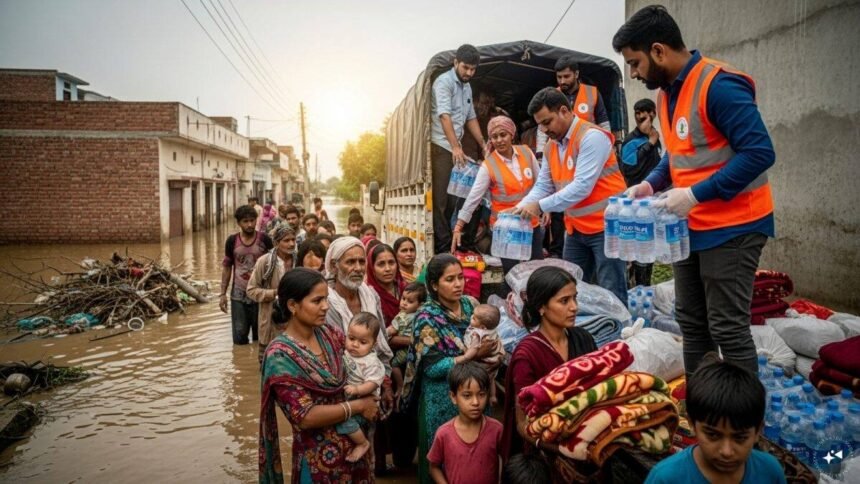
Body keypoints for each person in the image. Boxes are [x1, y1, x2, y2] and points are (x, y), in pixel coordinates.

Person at [614, 5, 775, 376]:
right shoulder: (667, 95)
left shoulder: (718, 85)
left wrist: (694, 195)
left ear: (658, 50)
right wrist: (650, 183)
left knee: (727, 328)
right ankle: (704, 408)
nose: (634, 74)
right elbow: (678, 155)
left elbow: (760, 152)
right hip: (690, 226)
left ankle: (740, 426)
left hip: (735, 225)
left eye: (635, 63)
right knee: (691, 321)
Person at [259, 268, 379, 483]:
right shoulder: (280, 355)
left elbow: (361, 363)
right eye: (317, 301)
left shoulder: (330, 334)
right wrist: (359, 407)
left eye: (325, 299)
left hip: (354, 451)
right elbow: (304, 417)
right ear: (293, 306)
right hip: (317, 460)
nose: (325, 306)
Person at [513, 88, 628, 304]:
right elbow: (544, 185)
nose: (544, 129)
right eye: (540, 125)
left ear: (564, 111)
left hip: (606, 227)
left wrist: (539, 206)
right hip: (576, 229)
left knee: (611, 292)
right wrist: (522, 206)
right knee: (571, 292)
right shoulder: (552, 146)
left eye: (547, 122)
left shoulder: (592, 137)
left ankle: (618, 335)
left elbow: (582, 187)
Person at [399, 254, 497, 483]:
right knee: (443, 462)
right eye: (450, 279)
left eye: (461, 278)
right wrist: (471, 356)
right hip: (442, 400)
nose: (458, 284)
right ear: (434, 285)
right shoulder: (426, 317)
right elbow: (432, 369)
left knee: (479, 459)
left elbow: (490, 336)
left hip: (475, 394)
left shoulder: (471, 305)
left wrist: (491, 354)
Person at [500, 266, 597, 462]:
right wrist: (562, 449)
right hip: (545, 454)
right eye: (564, 301)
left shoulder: (583, 339)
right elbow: (523, 424)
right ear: (541, 307)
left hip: (588, 442)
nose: (574, 307)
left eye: (574, 298)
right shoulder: (527, 355)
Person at [644, 354, 786, 484]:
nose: (726, 451)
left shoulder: (770, 472)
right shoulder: (666, 479)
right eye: (712, 435)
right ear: (692, 424)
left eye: (740, 437)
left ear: (758, 431)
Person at [323, 236, 396, 473]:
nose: (357, 268)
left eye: (361, 261)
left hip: (372, 382)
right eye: (349, 262)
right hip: (343, 390)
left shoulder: (370, 295)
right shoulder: (326, 303)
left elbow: (381, 340)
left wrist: (384, 383)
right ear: (334, 265)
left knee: (370, 450)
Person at [454, 115, 543, 274]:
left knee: (536, 271)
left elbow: (541, 183)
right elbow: (473, 198)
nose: (499, 140)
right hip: (505, 230)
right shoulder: (489, 166)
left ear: (511, 135)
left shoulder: (526, 152)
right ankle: (511, 298)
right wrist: (459, 225)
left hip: (531, 224)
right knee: (512, 273)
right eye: (494, 137)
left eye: (503, 135)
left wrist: (545, 208)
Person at [430, 44, 486, 254]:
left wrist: (483, 145)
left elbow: (470, 117)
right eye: (465, 68)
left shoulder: (467, 86)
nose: (469, 73)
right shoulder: (443, 82)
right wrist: (455, 147)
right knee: (442, 201)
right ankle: (444, 249)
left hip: (456, 148)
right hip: (442, 147)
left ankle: (462, 245)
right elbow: (444, 116)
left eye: (473, 69)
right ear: (455, 63)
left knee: (460, 197)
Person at [427, 362, 503, 484]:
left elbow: (504, 459)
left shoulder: (497, 430)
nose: (475, 402)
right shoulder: (444, 434)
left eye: (481, 394)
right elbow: (433, 467)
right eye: (467, 396)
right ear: (453, 397)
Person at [621, 98, 663, 287]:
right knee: (638, 249)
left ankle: (646, 287)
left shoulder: (655, 136)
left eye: (644, 112)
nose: (640, 116)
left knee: (650, 248)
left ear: (653, 114)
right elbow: (629, 170)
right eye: (637, 112)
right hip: (636, 204)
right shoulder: (631, 140)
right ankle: (637, 287)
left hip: (653, 202)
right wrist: (650, 144)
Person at [336, 312, 387, 463]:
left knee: (342, 420)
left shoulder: (370, 362)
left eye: (363, 342)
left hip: (365, 403)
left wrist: (358, 390)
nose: (355, 345)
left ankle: (362, 443)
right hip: (351, 399)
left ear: (374, 344)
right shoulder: (347, 352)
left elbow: (373, 383)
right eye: (351, 338)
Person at [220, 205, 274, 345]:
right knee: (239, 337)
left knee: (261, 337)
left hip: (260, 294)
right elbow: (227, 267)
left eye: (252, 220)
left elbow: (274, 264)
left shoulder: (265, 240)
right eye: (245, 221)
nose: (250, 224)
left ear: (256, 220)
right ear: (238, 223)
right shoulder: (232, 241)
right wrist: (222, 294)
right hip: (238, 294)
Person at [247, 226, 296, 363]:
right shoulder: (265, 262)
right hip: (270, 321)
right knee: (268, 364)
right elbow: (251, 290)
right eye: (286, 240)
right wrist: (275, 293)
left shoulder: (298, 261)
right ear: (276, 243)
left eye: (293, 240)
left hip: (294, 321)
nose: (291, 244)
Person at [387, 282, 427, 395]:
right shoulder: (419, 316)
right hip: (415, 350)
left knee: (393, 364)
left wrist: (381, 334)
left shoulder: (403, 316)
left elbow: (392, 330)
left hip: (405, 351)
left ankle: (400, 386)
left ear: (420, 305)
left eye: (410, 301)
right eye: (403, 299)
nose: (404, 303)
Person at [554, 56, 611, 131]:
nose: (562, 81)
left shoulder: (592, 93)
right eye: (559, 77)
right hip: (560, 142)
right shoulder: (552, 95)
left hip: (587, 141)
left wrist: (606, 141)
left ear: (576, 74)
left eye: (566, 76)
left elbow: (603, 123)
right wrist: (541, 143)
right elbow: (543, 128)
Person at [464, 304, 504, 406]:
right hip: (494, 361)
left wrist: (466, 356)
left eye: (474, 318)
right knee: (491, 379)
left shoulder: (477, 334)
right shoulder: (492, 330)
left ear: (482, 327)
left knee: (480, 382)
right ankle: (493, 396)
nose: (471, 317)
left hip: (484, 363)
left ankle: (482, 397)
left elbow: (473, 350)